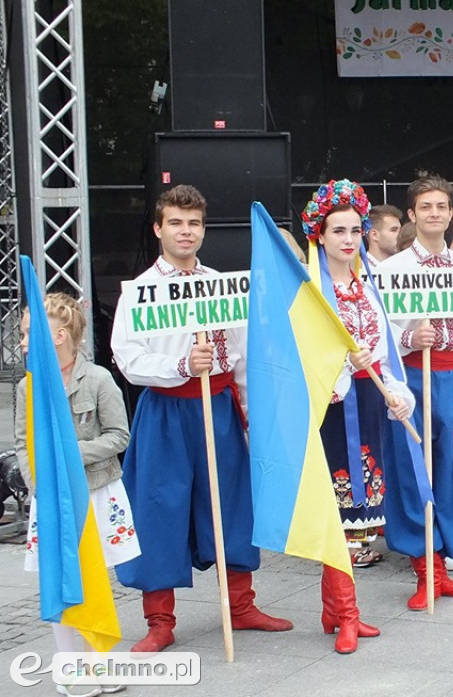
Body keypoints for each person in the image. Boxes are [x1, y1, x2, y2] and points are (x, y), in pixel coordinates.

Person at [110, 184, 292, 653]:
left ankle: (240, 605)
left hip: (219, 404)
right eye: (175, 222)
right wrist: (178, 367)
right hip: (167, 410)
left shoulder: (222, 285)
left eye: (193, 224)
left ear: (203, 230)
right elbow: (126, 357)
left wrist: (249, 408)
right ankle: (159, 620)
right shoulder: (141, 292)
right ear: (158, 228)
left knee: (231, 502)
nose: (185, 231)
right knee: (159, 507)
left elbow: (243, 352)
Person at [300, 181, 416, 652]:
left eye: (354, 230)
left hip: (369, 402)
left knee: (359, 511)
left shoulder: (369, 284)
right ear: (319, 236)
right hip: (332, 407)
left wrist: (394, 388)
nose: (348, 239)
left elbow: (385, 347)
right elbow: (297, 354)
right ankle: (347, 613)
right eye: (337, 231)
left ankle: (336, 611)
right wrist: (338, 366)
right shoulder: (310, 291)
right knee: (338, 513)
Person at [377, 174, 453, 610]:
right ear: (412, 214)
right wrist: (408, 340)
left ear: (450, 212)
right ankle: (426, 570)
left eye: (441, 206)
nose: (434, 214)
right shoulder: (391, 271)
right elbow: (380, 335)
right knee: (414, 470)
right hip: (411, 381)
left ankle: (444, 563)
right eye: (426, 207)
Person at [17, 293, 136, 694]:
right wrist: (39, 484)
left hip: (95, 493)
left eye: (29, 334)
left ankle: (99, 663)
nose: (21, 342)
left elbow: (120, 435)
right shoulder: (26, 386)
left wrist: (70, 455)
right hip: (51, 500)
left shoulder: (99, 379)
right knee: (57, 576)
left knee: (93, 578)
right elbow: (22, 443)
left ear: (60, 335)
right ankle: (70, 668)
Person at [364, 204, 403, 269]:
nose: (401, 234)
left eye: (400, 230)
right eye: (394, 230)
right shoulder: (359, 270)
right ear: (374, 235)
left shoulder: (406, 268)